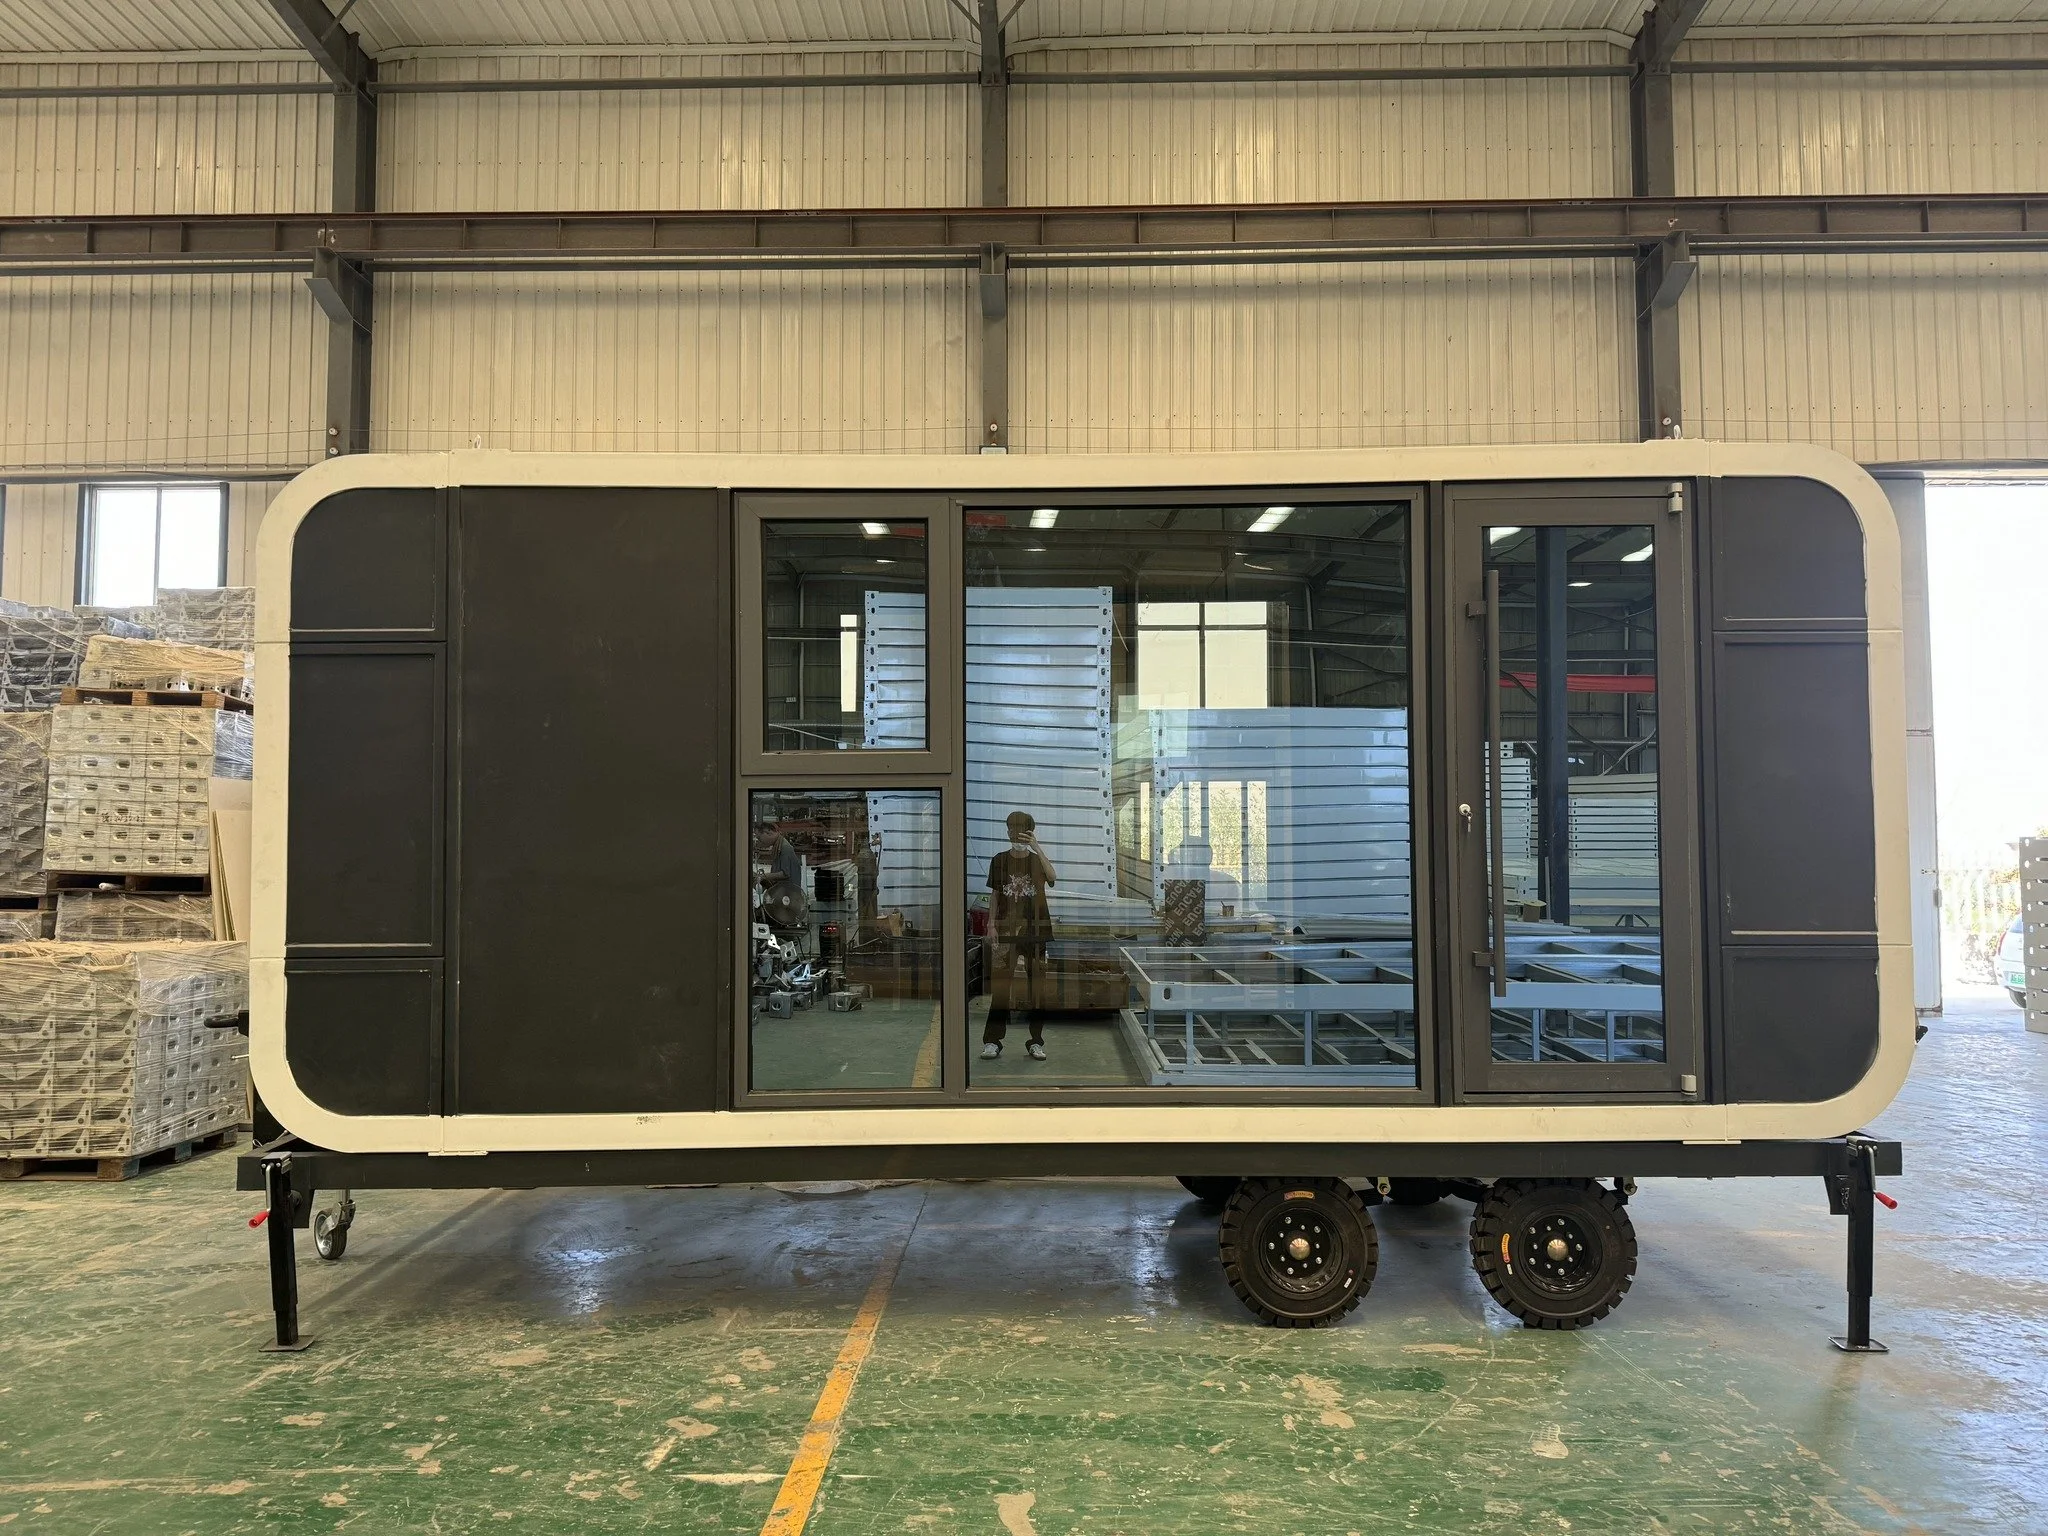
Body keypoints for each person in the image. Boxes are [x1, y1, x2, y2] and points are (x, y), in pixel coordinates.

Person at [982, 811, 1056, 1061]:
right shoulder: (999, 860)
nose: (1016, 834)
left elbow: (1053, 877)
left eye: (1022, 830)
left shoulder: (1037, 861)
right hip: (1006, 932)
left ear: (1030, 832)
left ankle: (1036, 1041)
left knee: (1038, 989)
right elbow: (994, 895)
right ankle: (992, 1041)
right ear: (1007, 832)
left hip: (1036, 933)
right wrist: (991, 925)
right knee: (1001, 987)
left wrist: (1035, 846)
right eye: (1012, 829)